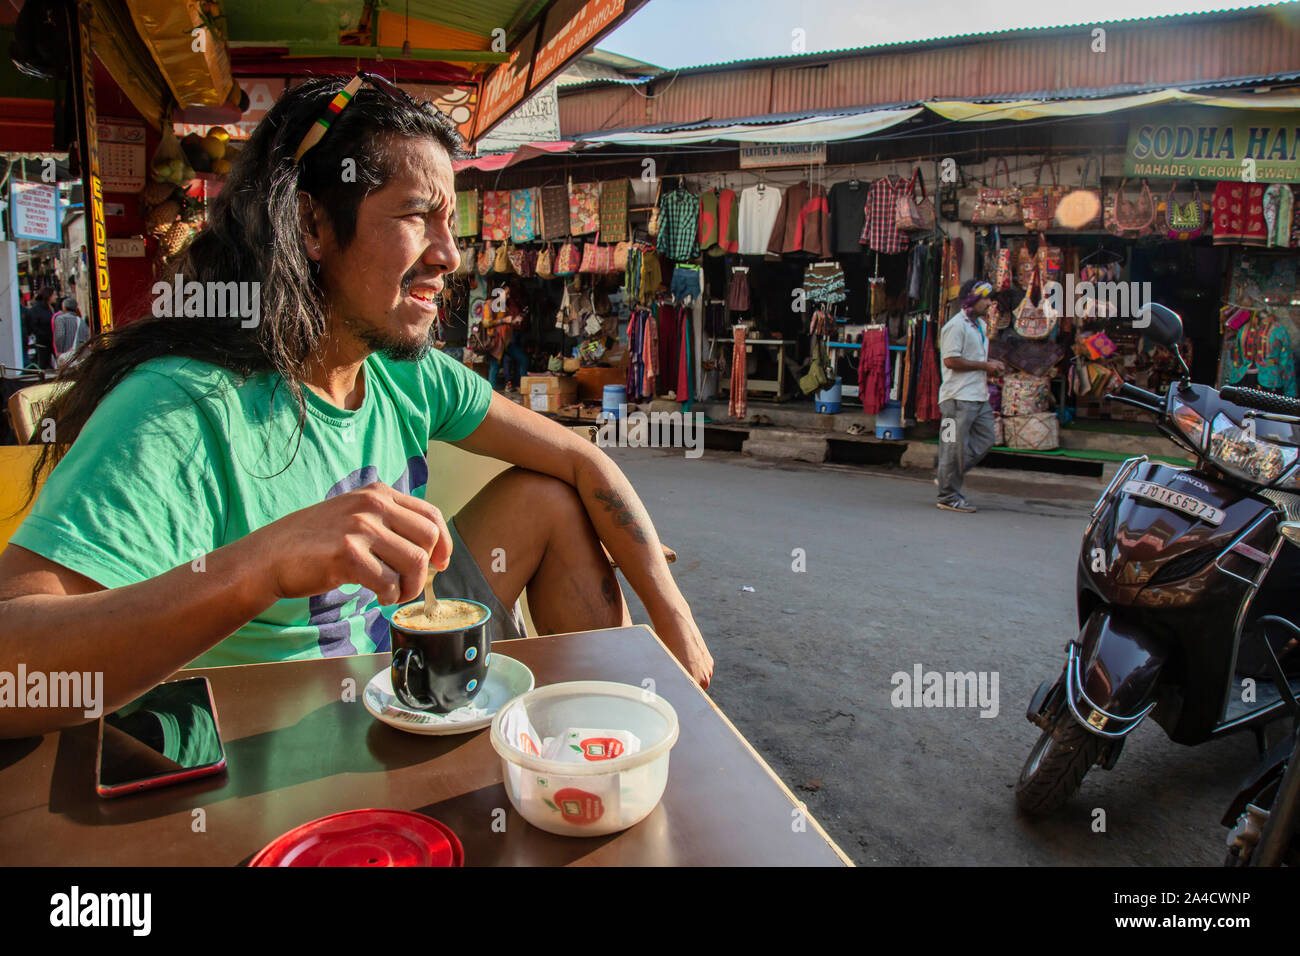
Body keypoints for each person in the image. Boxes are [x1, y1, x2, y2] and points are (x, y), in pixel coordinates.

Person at [0, 75, 712, 738]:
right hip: (298, 732)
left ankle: (589, 744)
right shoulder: (183, 406)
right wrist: (264, 564)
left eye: (449, 221)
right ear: (312, 225)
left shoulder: (408, 373)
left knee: (551, 496)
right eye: (416, 216)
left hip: (404, 649)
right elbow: (13, 675)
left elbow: (582, 459)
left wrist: (670, 619)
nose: (449, 256)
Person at [936, 279, 1005, 513]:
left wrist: (989, 366)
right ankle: (947, 495)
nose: (988, 302)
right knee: (952, 447)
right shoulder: (956, 326)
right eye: (984, 298)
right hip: (955, 399)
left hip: (977, 396)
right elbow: (950, 360)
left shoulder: (980, 326)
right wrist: (985, 366)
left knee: (986, 439)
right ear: (972, 299)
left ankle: (947, 476)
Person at [22, 287, 56, 370]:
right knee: (43, 365)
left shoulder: (53, 307)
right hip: (43, 343)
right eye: (53, 295)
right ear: (48, 296)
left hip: (54, 341)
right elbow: (33, 326)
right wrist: (43, 335)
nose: (55, 297)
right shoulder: (36, 309)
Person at [52, 298, 90, 366]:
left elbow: (60, 335)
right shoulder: (81, 321)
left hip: (66, 355)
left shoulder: (60, 319)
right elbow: (87, 337)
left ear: (64, 307)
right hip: (79, 357)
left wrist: (59, 351)